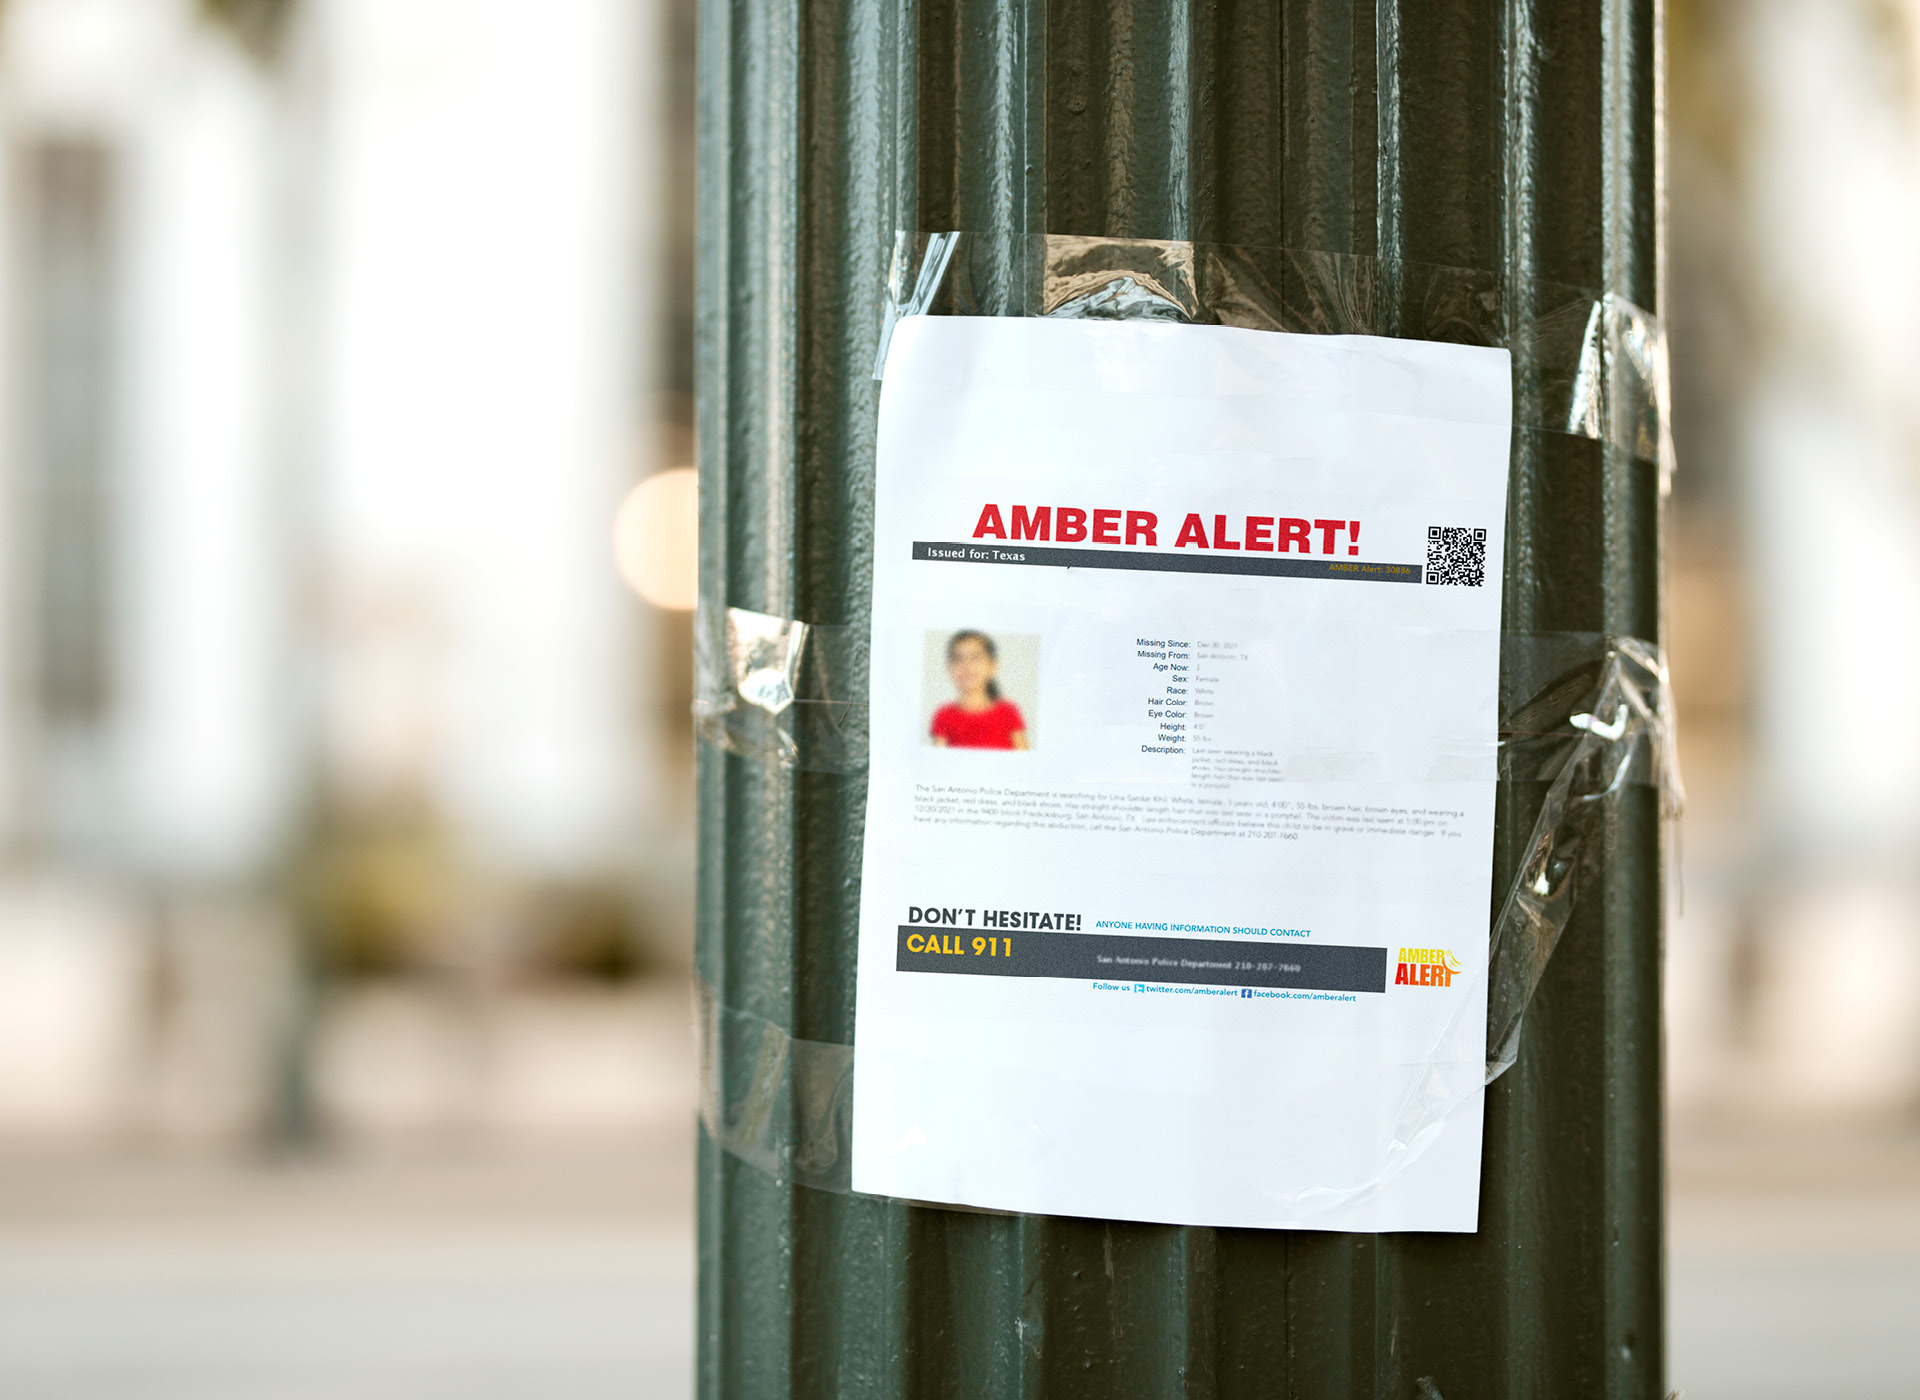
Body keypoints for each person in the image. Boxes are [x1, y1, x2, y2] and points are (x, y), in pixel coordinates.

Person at [930, 630, 1028, 749]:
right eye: (958, 659)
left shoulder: (1008, 712)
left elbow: (1024, 761)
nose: (966, 665)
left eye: (975, 657)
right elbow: (937, 762)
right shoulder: (944, 716)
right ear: (949, 668)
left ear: (992, 666)